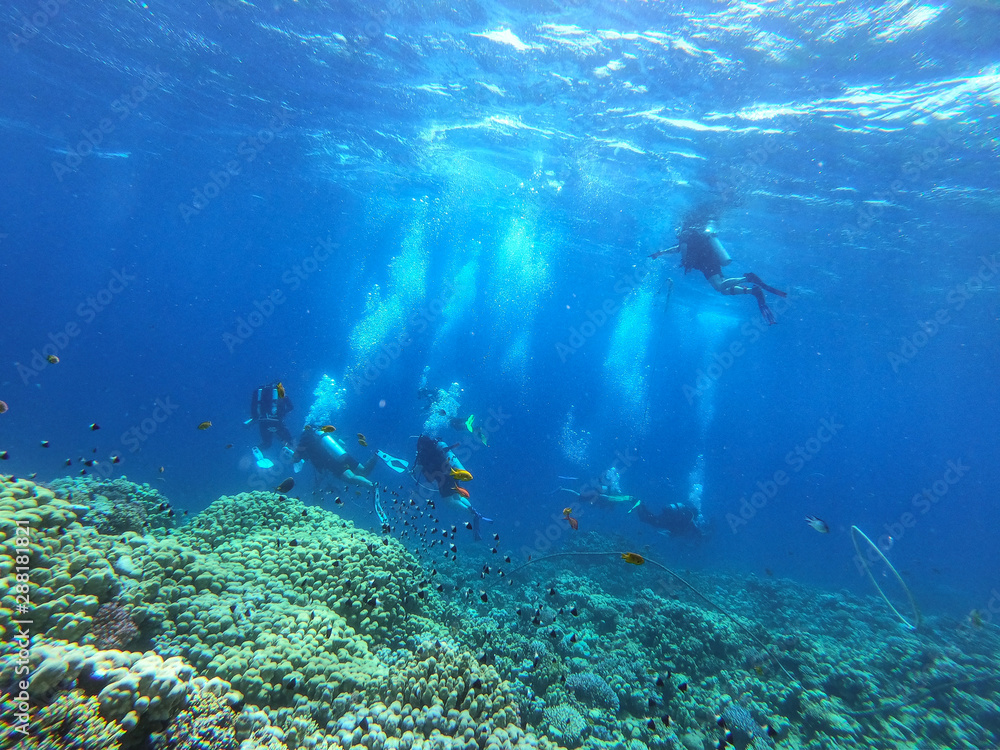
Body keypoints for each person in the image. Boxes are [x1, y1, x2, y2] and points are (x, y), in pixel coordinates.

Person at [649, 223, 786, 324]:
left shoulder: (685, 237)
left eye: (677, 231)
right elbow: (677, 249)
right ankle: (753, 291)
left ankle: (748, 278)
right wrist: (659, 253)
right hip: (707, 262)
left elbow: (682, 248)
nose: (677, 233)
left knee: (720, 286)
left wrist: (685, 262)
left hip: (707, 262)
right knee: (723, 291)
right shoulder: (689, 238)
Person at [413, 434, 491, 539]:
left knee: (449, 501)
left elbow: (430, 478)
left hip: (443, 479)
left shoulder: (425, 454)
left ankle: (472, 513)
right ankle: (473, 511)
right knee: (457, 496)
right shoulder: (437, 447)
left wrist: (420, 468)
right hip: (453, 473)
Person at [294, 425, 376, 489]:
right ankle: (377, 455)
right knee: (364, 471)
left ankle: (372, 486)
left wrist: (294, 457)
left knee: (351, 477)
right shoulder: (321, 430)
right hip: (340, 452)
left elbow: (297, 456)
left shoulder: (304, 438)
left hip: (331, 461)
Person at [248, 382, 294, 451]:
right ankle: (291, 457)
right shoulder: (280, 390)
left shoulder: (261, 392)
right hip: (277, 422)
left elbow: (254, 411)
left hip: (263, 422)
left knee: (266, 443)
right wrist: (281, 413)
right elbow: (290, 407)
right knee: (289, 441)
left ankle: (253, 452)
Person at [636, 501, 703, 537]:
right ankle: (640, 506)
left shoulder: (686, 513)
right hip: (668, 520)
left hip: (668, 517)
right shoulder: (689, 517)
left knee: (653, 519)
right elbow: (681, 527)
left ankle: (642, 507)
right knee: (652, 520)